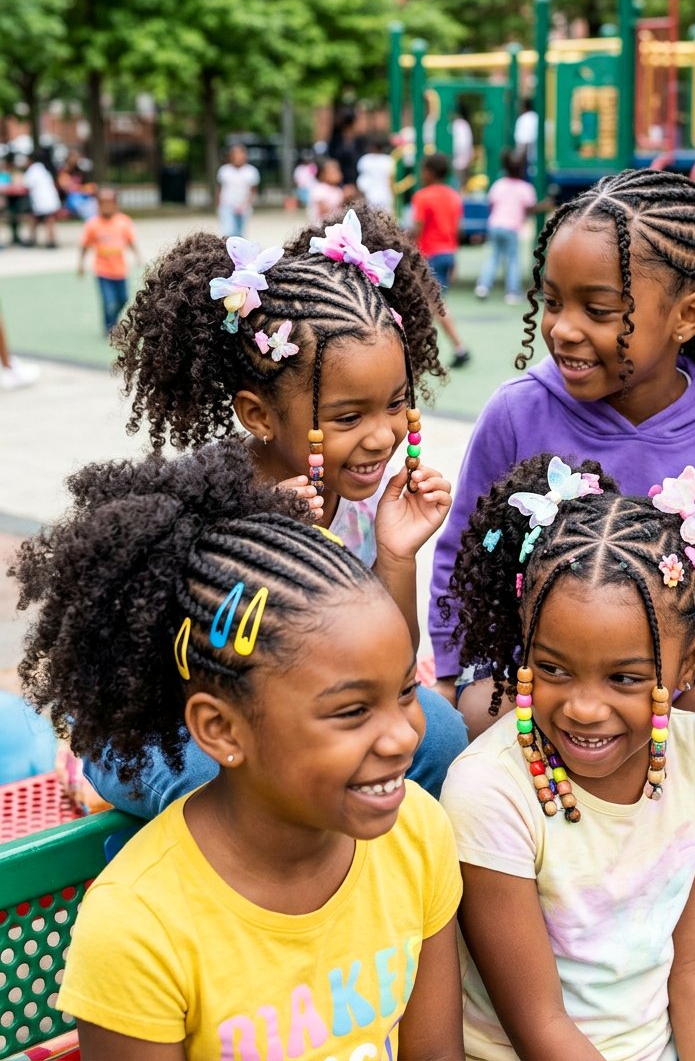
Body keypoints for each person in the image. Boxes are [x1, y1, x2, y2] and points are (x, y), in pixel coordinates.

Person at [429, 169, 695, 1061]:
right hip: (534, 668)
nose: (565, 328)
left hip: (670, 675)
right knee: (486, 740)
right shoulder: (520, 413)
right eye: (554, 300)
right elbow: (460, 553)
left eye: (600, 308)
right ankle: (549, 960)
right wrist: (462, 672)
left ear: (686, 316)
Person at [14, 441, 464, 1061]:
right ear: (221, 731)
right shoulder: (139, 928)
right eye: (352, 711)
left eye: (405, 691)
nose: (402, 737)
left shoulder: (417, 832)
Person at [89, 204, 466, 815]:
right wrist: (279, 558)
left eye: (396, 404)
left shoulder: (358, 498)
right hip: (166, 720)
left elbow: (389, 671)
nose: (381, 436)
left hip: (292, 714)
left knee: (441, 733)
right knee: (236, 782)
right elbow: (205, 680)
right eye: (348, 417)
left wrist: (397, 553)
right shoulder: (211, 507)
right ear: (258, 415)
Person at [440, 453, 695, 1061]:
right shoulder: (490, 792)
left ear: (689, 664)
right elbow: (540, 1026)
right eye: (555, 668)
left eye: (624, 678)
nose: (585, 709)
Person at [411, 153, 471, 369]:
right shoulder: (454, 196)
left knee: (433, 304)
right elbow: (457, 230)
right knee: (428, 304)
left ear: (429, 172)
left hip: (430, 256)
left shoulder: (423, 196)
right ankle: (421, 349)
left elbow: (418, 228)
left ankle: (459, 347)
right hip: (448, 253)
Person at [475, 150, 537, 305]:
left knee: (493, 256)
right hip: (511, 227)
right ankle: (512, 292)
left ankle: (483, 286)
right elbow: (529, 208)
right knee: (512, 259)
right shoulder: (525, 187)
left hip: (495, 224)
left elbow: (491, 203)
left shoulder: (499, 184)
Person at [78, 187, 142, 335]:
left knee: (123, 299)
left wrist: (137, 255)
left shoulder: (123, 222)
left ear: (115, 204)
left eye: (109, 203)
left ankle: (113, 320)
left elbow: (131, 241)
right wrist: (81, 264)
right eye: (103, 203)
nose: (106, 206)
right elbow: (85, 246)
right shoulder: (92, 225)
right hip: (103, 271)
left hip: (120, 270)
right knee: (108, 302)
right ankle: (110, 327)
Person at [216, 143, 260, 238]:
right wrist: (218, 204)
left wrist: (246, 204)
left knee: (240, 233)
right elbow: (219, 188)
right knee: (228, 231)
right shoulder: (224, 170)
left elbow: (253, 191)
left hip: (243, 207)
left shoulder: (251, 171)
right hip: (227, 205)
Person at [23, 150, 62, 247]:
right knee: (37, 219)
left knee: (47, 219)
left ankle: (50, 241)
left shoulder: (34, 169)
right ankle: (33, 239)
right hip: (49, 198)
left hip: (42, 200)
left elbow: (27, 185)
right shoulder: (44, 168)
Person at [357, 136, 396, 211]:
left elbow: (361, 181)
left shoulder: (364, 160)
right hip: (385, 196)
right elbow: (390, 181)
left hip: (370, 196)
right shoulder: (388, 160)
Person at [308, 156, 345, 225]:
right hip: (320, 227)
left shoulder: (338, 190)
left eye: (338, 171)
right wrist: (342, 198)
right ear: (323, 175)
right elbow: (322, 210)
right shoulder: (319, 189)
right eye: (333, 172)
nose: (337, 174)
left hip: (334, 226)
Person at [451, 105, 474, 188]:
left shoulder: (459, 124)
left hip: (458, 162)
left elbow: (462, 145)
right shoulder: (462, 124)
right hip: (461, 162)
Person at [513, 96, 539, 169]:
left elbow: (524, 143)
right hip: (537, 162)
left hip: (526, 163)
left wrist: (519, 166)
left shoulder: (524, 119)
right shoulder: (536, 117)